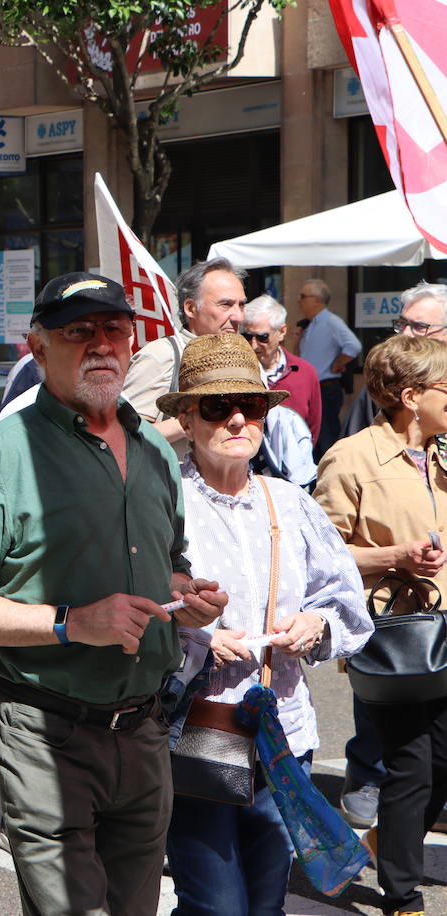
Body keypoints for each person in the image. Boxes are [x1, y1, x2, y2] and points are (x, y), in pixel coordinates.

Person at [0, 272, 227, 915]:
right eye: (78, 332)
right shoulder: (0, 455)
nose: (101, 345)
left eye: (114, 330)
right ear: (38, 347)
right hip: (47, 731)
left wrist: (184, 594)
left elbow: (169, 561)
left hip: (145, 728)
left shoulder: (153, 449)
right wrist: (72, 622)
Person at [153, 333, 370, 914]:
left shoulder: (289, 501)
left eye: (249, 407)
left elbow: (346, 601)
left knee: (267, 901)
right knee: (216, 903)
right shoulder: (162, 498)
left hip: (282, 731)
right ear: (188, 418)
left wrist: (316, 623)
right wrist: (196, 634)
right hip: (199, 726)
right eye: (218, 407)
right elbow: (123, 604)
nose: (236, 420)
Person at [315, 334, 447, 914]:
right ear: (412, 395)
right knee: (411, 760)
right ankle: (402, 893)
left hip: (446, 628)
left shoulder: (443, 454)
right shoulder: (353, 457)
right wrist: (396, 558)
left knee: (442, 761)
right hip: (395, 634)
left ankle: (388, 839)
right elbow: (320, 554)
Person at [123, 257, 248, 452]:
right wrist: (190, 421)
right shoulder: (162, 356)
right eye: (226, 304)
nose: (238, 316)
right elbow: (126, 437)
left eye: (241, 305)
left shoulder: (242, 359)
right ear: (190, 308)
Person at [343, 281, 447, 438]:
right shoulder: (388, 383)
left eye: (419, 326)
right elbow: (354, 450)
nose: (405, 334)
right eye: (403, 323)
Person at [242, 294, 323, 441]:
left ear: (282, 332)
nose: (253, 345)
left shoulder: (305, 372)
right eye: (247, 336)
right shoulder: (236, 372)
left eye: (262, 337)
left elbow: (313, 427)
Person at [296, 278, 362, 457]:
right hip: (312, 390)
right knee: (314, 440)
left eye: (303, 296)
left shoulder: (331, 321)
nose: (298, 300)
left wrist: (338, 363)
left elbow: (354, 346)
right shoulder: (311, 325)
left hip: (325, 389)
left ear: (317, 299)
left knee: (327, 440)